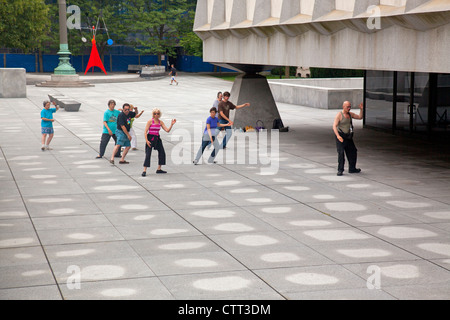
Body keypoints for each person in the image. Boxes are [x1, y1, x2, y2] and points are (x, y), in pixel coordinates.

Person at [332, 101, 364, 176]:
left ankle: (352, 168)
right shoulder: (339, 115)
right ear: (343, 107)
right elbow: (334, 126)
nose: (349, 108)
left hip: (348, 137)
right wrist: (338, 136)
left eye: (350, 107)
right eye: (347, 107)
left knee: (353, 151)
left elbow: (360, 117)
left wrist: (361, 109)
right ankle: (340, 170)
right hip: (340, 136)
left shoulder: (350, 114)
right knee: (341, 153)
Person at [142, 108, 176, 176]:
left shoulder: (160, 122)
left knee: (162, 152)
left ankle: (159, 168)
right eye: (155, 114)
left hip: (157, 138)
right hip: (150, 138)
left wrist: (172, 124)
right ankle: (144, 170)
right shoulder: (150, 121)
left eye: (157, 114)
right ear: (153, 114)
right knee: (148, 154)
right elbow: (145, 132)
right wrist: (147, 140)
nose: (156, 115)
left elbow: (167, 130)